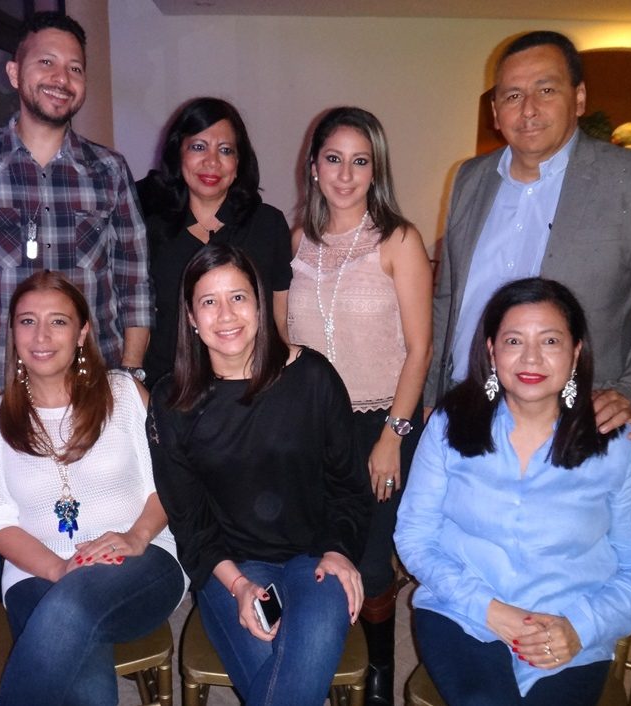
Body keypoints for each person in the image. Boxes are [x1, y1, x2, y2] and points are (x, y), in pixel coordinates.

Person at [396, 277, 631, 705]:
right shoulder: (451, 424)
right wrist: (490, 610)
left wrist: (580, 627)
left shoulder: (615, 442)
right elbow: (414, 536)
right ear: (491, 350)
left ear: (576, 352)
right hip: (463, 613)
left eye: (550, 341)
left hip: (567, 627)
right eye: (513, 341)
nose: (531, 357)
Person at [425, 30, 631, 430]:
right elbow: (448, 298)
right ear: (496, 111)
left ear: (580, 98)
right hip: (463, 403)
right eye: (513, 95)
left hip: (571, 418)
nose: (528, 110)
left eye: (546, 90)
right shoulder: (470, 178)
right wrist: (430, 395)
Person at [148, 244, 372, 706]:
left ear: (260, 303)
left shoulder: (312, 377)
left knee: (296, 671)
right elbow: (189, 521)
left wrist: (339, 550)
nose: (226, 314)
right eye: (209, 302)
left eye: (238, 297)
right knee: (290, 683)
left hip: (316, 559)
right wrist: (238, 584)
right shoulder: (172, 401)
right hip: (231, 566)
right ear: (190, 316)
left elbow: (349, 487)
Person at [0, 271, 185, 706]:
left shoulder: (124, 394)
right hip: (36, 574)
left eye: (58, 321)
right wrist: (58, 570)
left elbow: (169, 485)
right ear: (13, 331)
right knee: (79, 660)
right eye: (27, 321)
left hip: (140, 560)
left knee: (67, 610)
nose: (41, 336)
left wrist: (135, 536)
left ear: (82, 332)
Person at [0, 11, 152, 412]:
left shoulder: (109, 170)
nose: (61, 78)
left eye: (75, 68)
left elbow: (134, 284)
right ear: (14, 73)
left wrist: (129, 375)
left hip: (95, 384)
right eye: (46, 62)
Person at [288, 106, 432, 704]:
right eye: (333, 159)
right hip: (309, 427)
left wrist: (393, 437)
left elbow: (420, 348)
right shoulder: (296, 241)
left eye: (360, 161)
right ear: (313, 166)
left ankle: (377, 672)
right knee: (316, 550)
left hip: (380, 423)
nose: (345, 175)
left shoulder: (398, 239)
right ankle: (322, 653)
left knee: (371, 563)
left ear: (377, 169)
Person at [138, 97, 292, 386]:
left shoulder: (268, 225)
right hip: (169, 387)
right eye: (198, 147)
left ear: (239, 161)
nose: (212, 162)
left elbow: (281, 320)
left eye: (225, 150)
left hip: (253, 385)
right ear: (178, 153)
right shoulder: (147, 227)